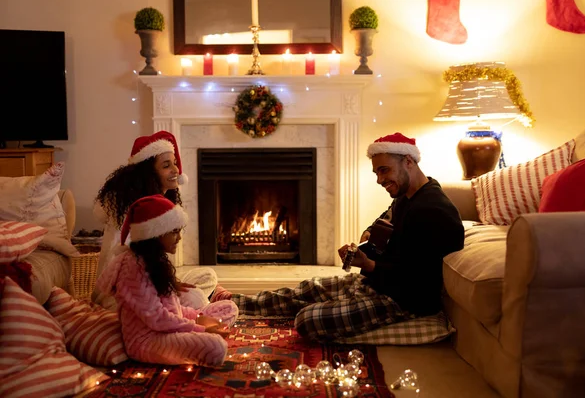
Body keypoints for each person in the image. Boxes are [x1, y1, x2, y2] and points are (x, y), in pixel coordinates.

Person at [210, 132, 464, 341]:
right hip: (378, 281)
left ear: (409, 161)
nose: (379, 179)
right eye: (376, 172)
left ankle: (339, 309)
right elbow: (385, 221)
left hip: (403, 300)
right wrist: (368, 236)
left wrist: (368, 265)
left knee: (307, 320)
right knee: (310, 288)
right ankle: (233, 302)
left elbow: (416, 281)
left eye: (384, 170)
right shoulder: (407, 197)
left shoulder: (432, 211)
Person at [96, 194, 238, 365]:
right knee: (217, 347)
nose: (179, 237)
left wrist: (199, 317)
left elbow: (173, 308)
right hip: (148, 341)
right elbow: (157, 318)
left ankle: (200, 335)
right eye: (174, 232)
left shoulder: (155, 260)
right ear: (155, 234)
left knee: (229, 308)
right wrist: (201, 328)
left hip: (169, 328)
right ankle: (203, 338)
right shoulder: (133, 268)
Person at [92, 131, 217, 309]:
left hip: (152, 284)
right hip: (123, 294)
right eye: (166, 166)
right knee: (195, 298)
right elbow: (129, 266)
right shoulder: (138, 210)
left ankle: (190, 309)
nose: (176, 170)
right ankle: (196, 314)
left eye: (174, 163)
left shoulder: (159, 204)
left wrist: (170, 282)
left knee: (207, 276)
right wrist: (169, 286)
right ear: (148, 173)